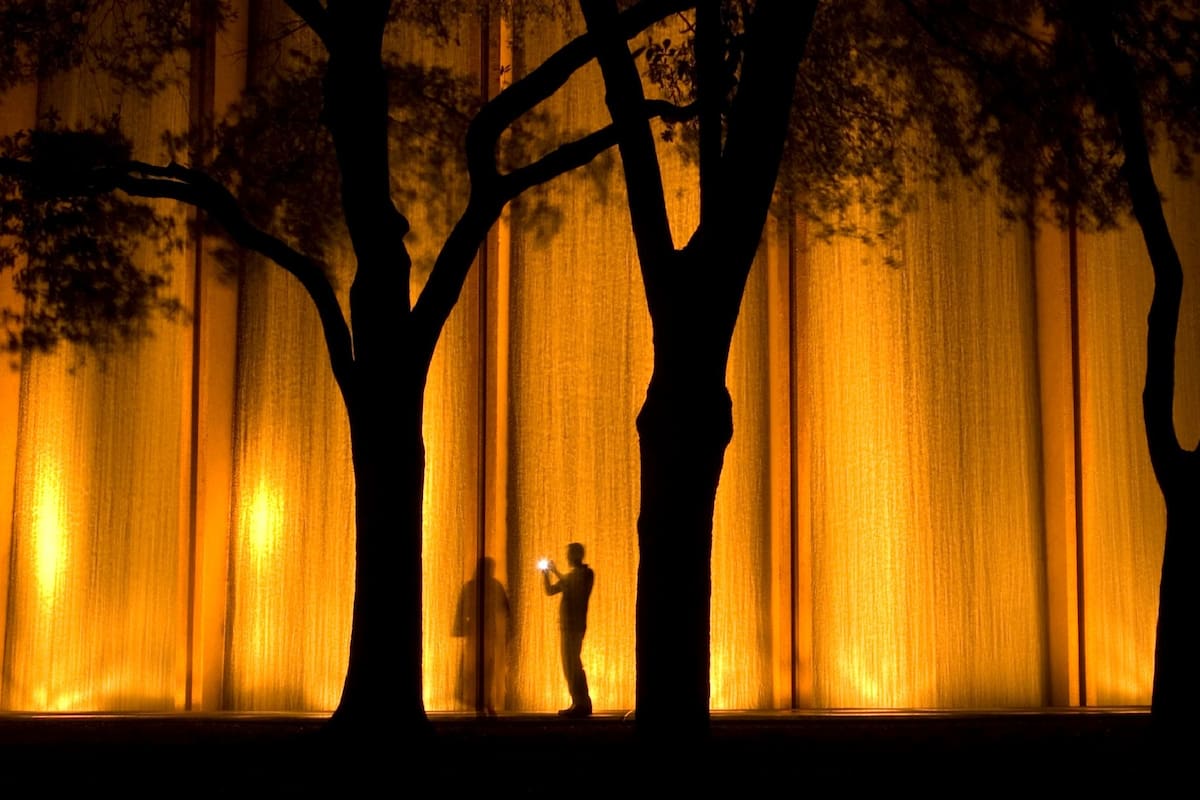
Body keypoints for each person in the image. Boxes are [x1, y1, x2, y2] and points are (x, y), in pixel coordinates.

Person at [453, 556, 511, 716]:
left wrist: (459, 627)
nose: (490, 571)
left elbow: (460, 610)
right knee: (480, 667)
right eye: (489, 568)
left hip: (482, 633)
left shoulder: (474, 586)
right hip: (482, 633)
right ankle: (483, 701)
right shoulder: (491, 586)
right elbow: (507, 610)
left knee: (480, 667)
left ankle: (483, 701)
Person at [542, 542, 594, 717]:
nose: (567, 557)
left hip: (575, 626)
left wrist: (555, 571)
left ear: (577, 555)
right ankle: (577, 702)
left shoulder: (586, 574)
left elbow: (574, 589)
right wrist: (545, 574)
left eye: (569, 554)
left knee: (573, 664)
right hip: (566, 626)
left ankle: (583, 703)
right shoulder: (571, 576)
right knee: (568, 665)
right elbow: (550, 591)